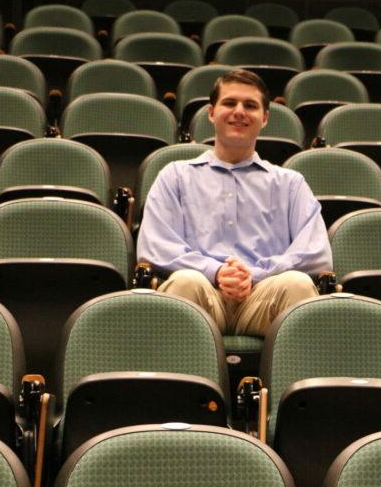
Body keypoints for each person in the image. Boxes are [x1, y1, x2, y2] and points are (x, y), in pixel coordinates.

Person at [137, 69, 331, 335]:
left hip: (264, 296)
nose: (239, 111)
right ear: (211, 112)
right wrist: (216, 272)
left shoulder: (290, 183)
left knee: (297, 284)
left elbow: (315, 253)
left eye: (250, 105)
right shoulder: (175, 176)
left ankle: (290, 376)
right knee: (184, 281)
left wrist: (254, 274)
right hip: (202, 293)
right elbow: (156, 246)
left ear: (264, 118)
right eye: (229, 103)